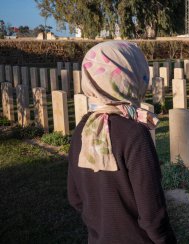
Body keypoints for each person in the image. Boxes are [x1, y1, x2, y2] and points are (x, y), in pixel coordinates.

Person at [67, 41, 177, 244]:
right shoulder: (135, 134)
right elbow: (152, 215)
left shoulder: (82, 129)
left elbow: (75, 198)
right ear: (132, 76)